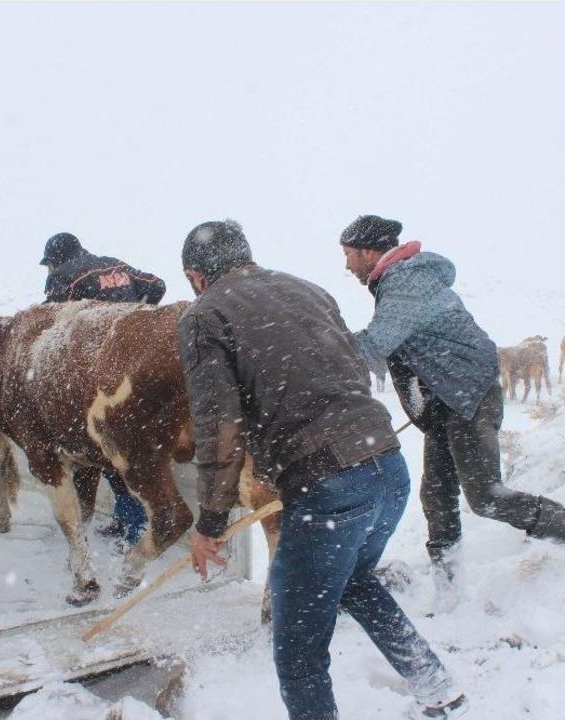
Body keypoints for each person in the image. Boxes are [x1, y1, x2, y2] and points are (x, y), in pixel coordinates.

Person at [179, 220, 468, 720]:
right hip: (387, 469)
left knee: (298, 654)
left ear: (196, 276)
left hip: (328, 488)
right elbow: (354, 368)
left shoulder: (205, 315)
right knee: (354, 577)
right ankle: (436, 685)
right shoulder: (308, 291)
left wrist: (210, 525)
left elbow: (221, 430)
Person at [339, 215, 565, 611]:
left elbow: (375, 345)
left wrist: (318, 348)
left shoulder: (405, 281)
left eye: (350, 255)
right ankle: (450, 591)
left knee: (486, 497)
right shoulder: (400, 280)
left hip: (467, 397)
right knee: (437, 496)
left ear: (370, 252)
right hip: (448, 400)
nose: (347, 265)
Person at [40, 231, 167, 546]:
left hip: (99, 374)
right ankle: (125, 518)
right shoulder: (115, 265)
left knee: (107, 448)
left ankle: (136, 526)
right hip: (137, 368)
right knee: (128, 447)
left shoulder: (62, 276)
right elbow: (158, 285)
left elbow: (50, 319)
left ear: (54, 260)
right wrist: (134, 315)